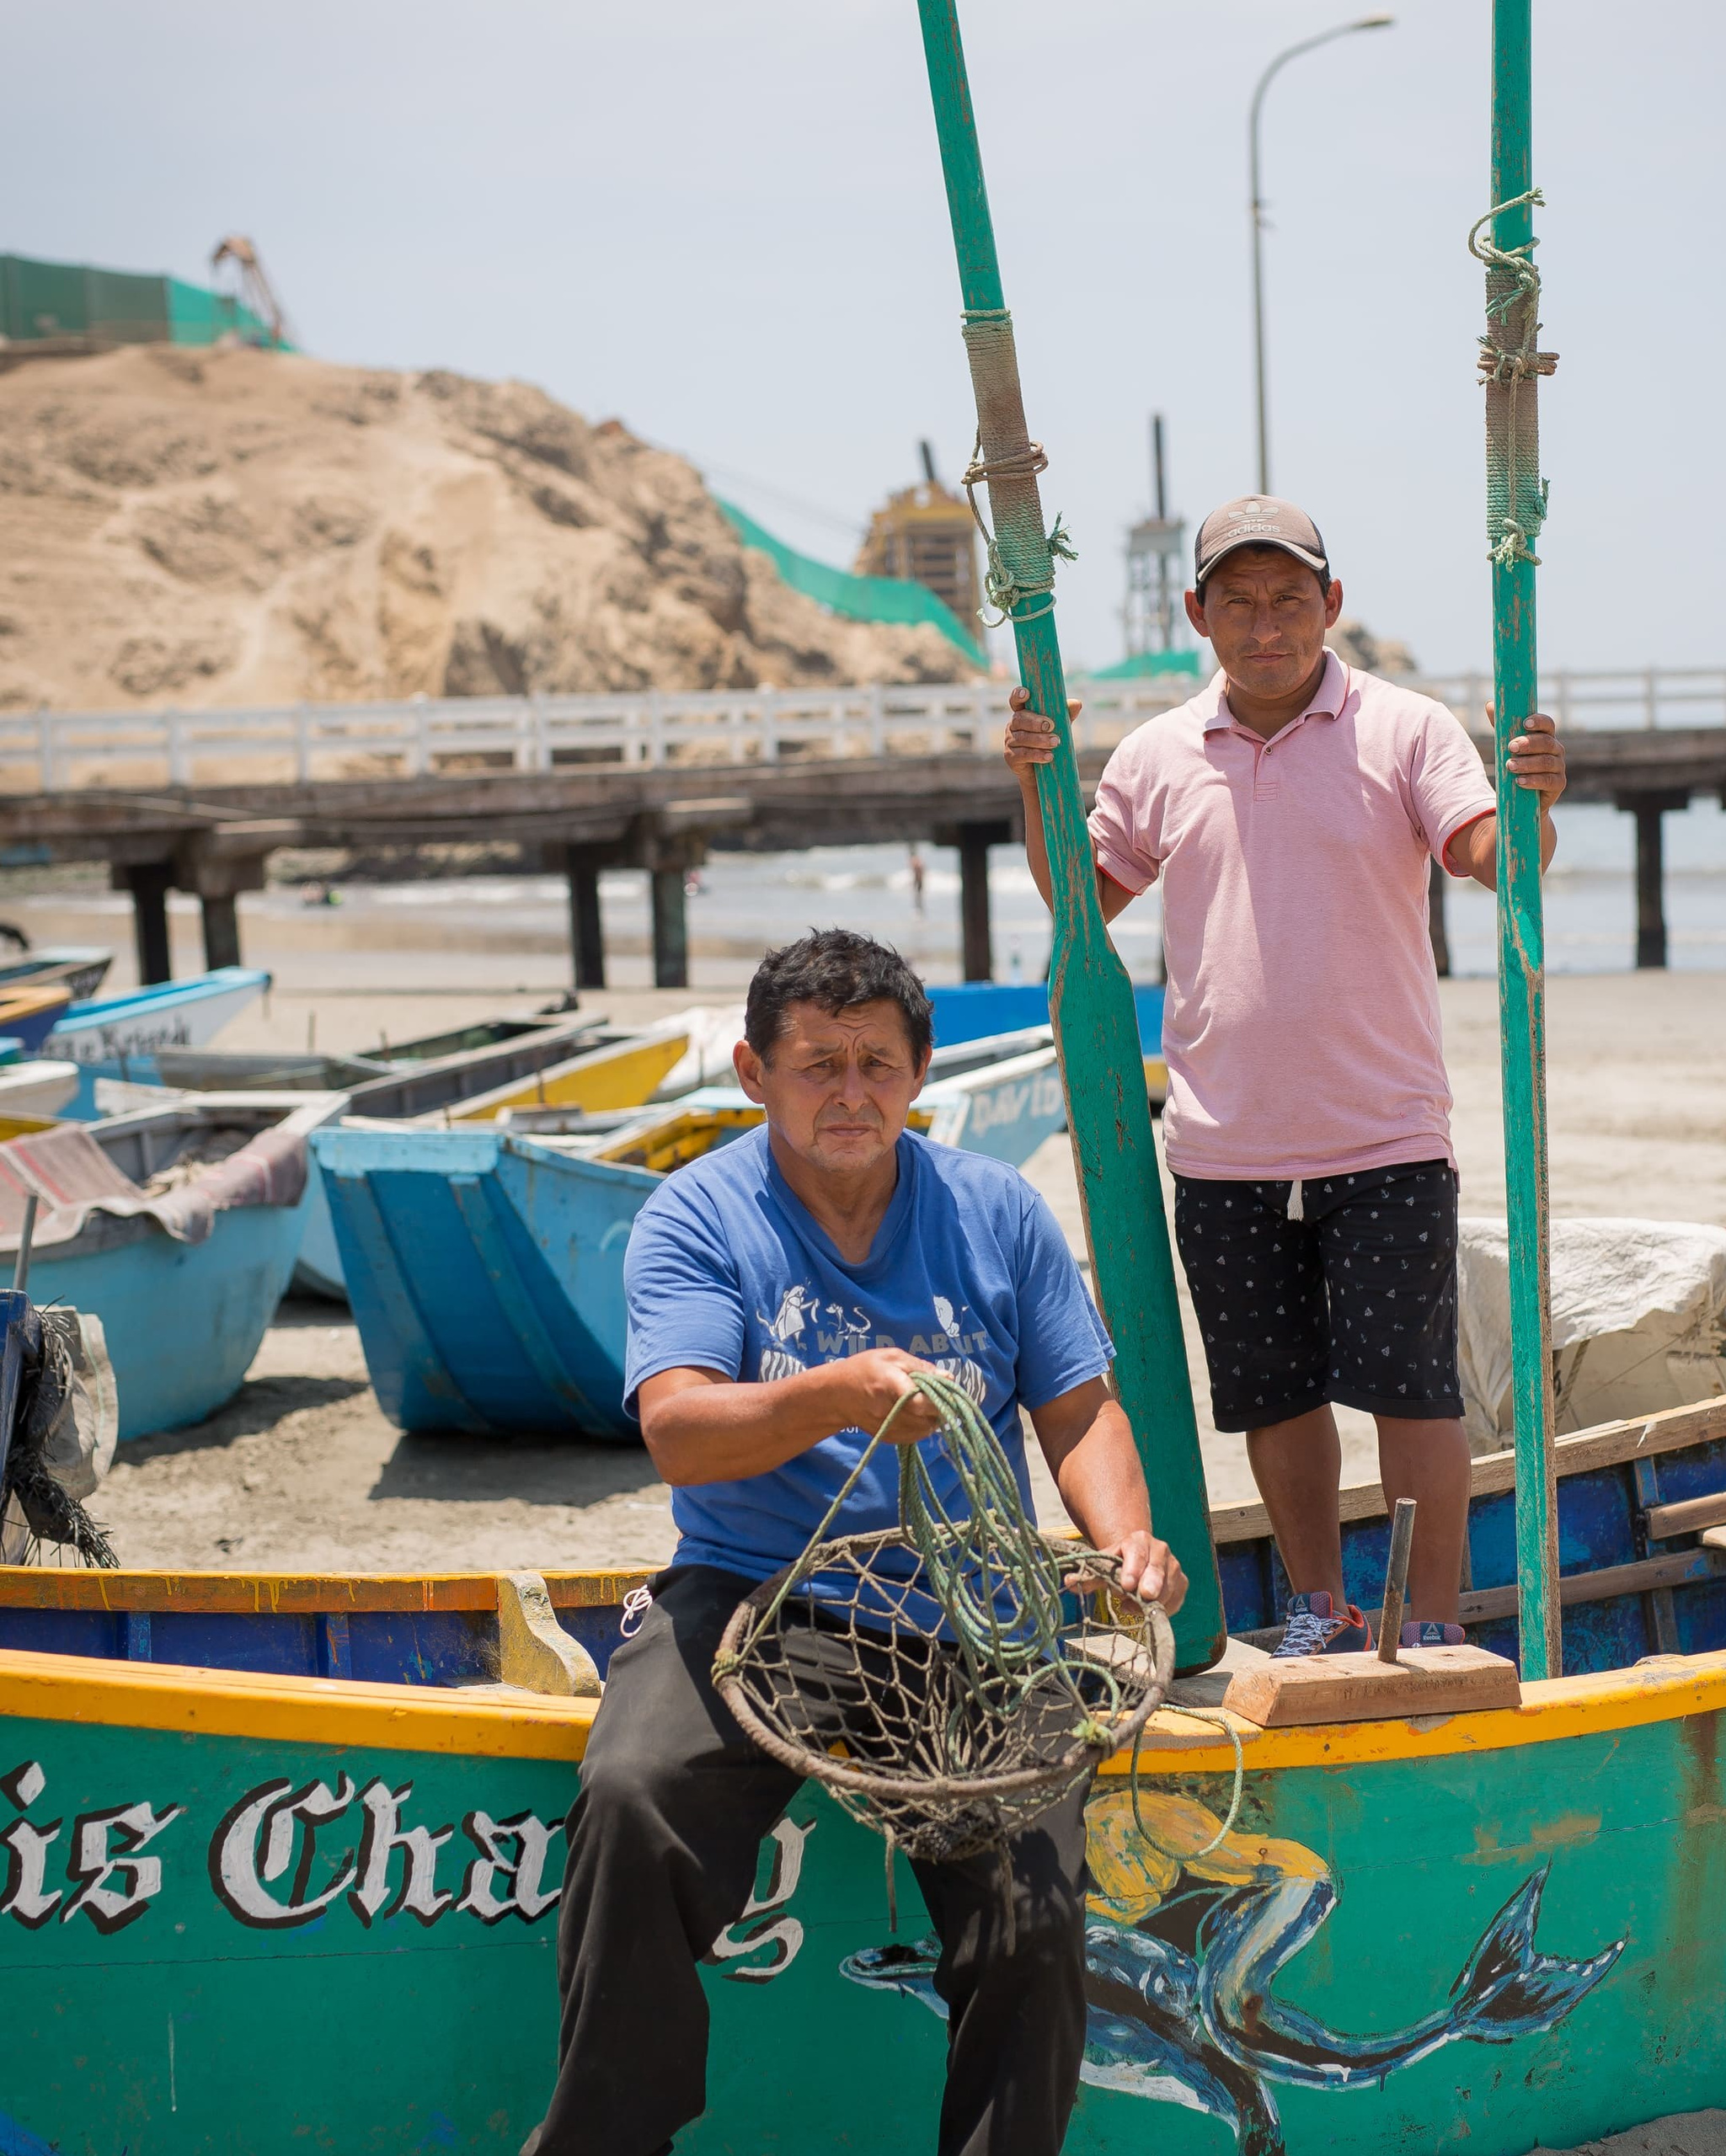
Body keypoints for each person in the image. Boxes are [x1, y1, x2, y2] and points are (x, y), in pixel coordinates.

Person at [526, 928, 1186, 2156]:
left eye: (878, 1063)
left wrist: (1130, 1541)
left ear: (921, 1075)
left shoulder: (996, 1210)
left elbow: (1081, 1407)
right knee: (631, 1799)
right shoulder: (697, 1216)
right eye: (817, 1063)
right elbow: (677, 1431)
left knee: (1036, 1919)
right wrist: (830, 1395)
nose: (850, 1092)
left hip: (977, 1612)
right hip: (752, 1598)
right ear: (752, 1074)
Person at [1003, 495, 1567, 1660]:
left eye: (1292, 599)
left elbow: (1487, 858)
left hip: (1388, 1132)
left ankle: (1431, 1621)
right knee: (1274, 1396)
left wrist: (1532, 806)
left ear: (1333, 605)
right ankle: (1318, 1603)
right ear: (1199, 613)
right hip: (1224, 1144)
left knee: (1415, 1396)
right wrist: (1035, 783)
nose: (1269, 625)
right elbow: (1083, 901)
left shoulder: (1407, 729)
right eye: (1243, 603)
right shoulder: (1161, 754)